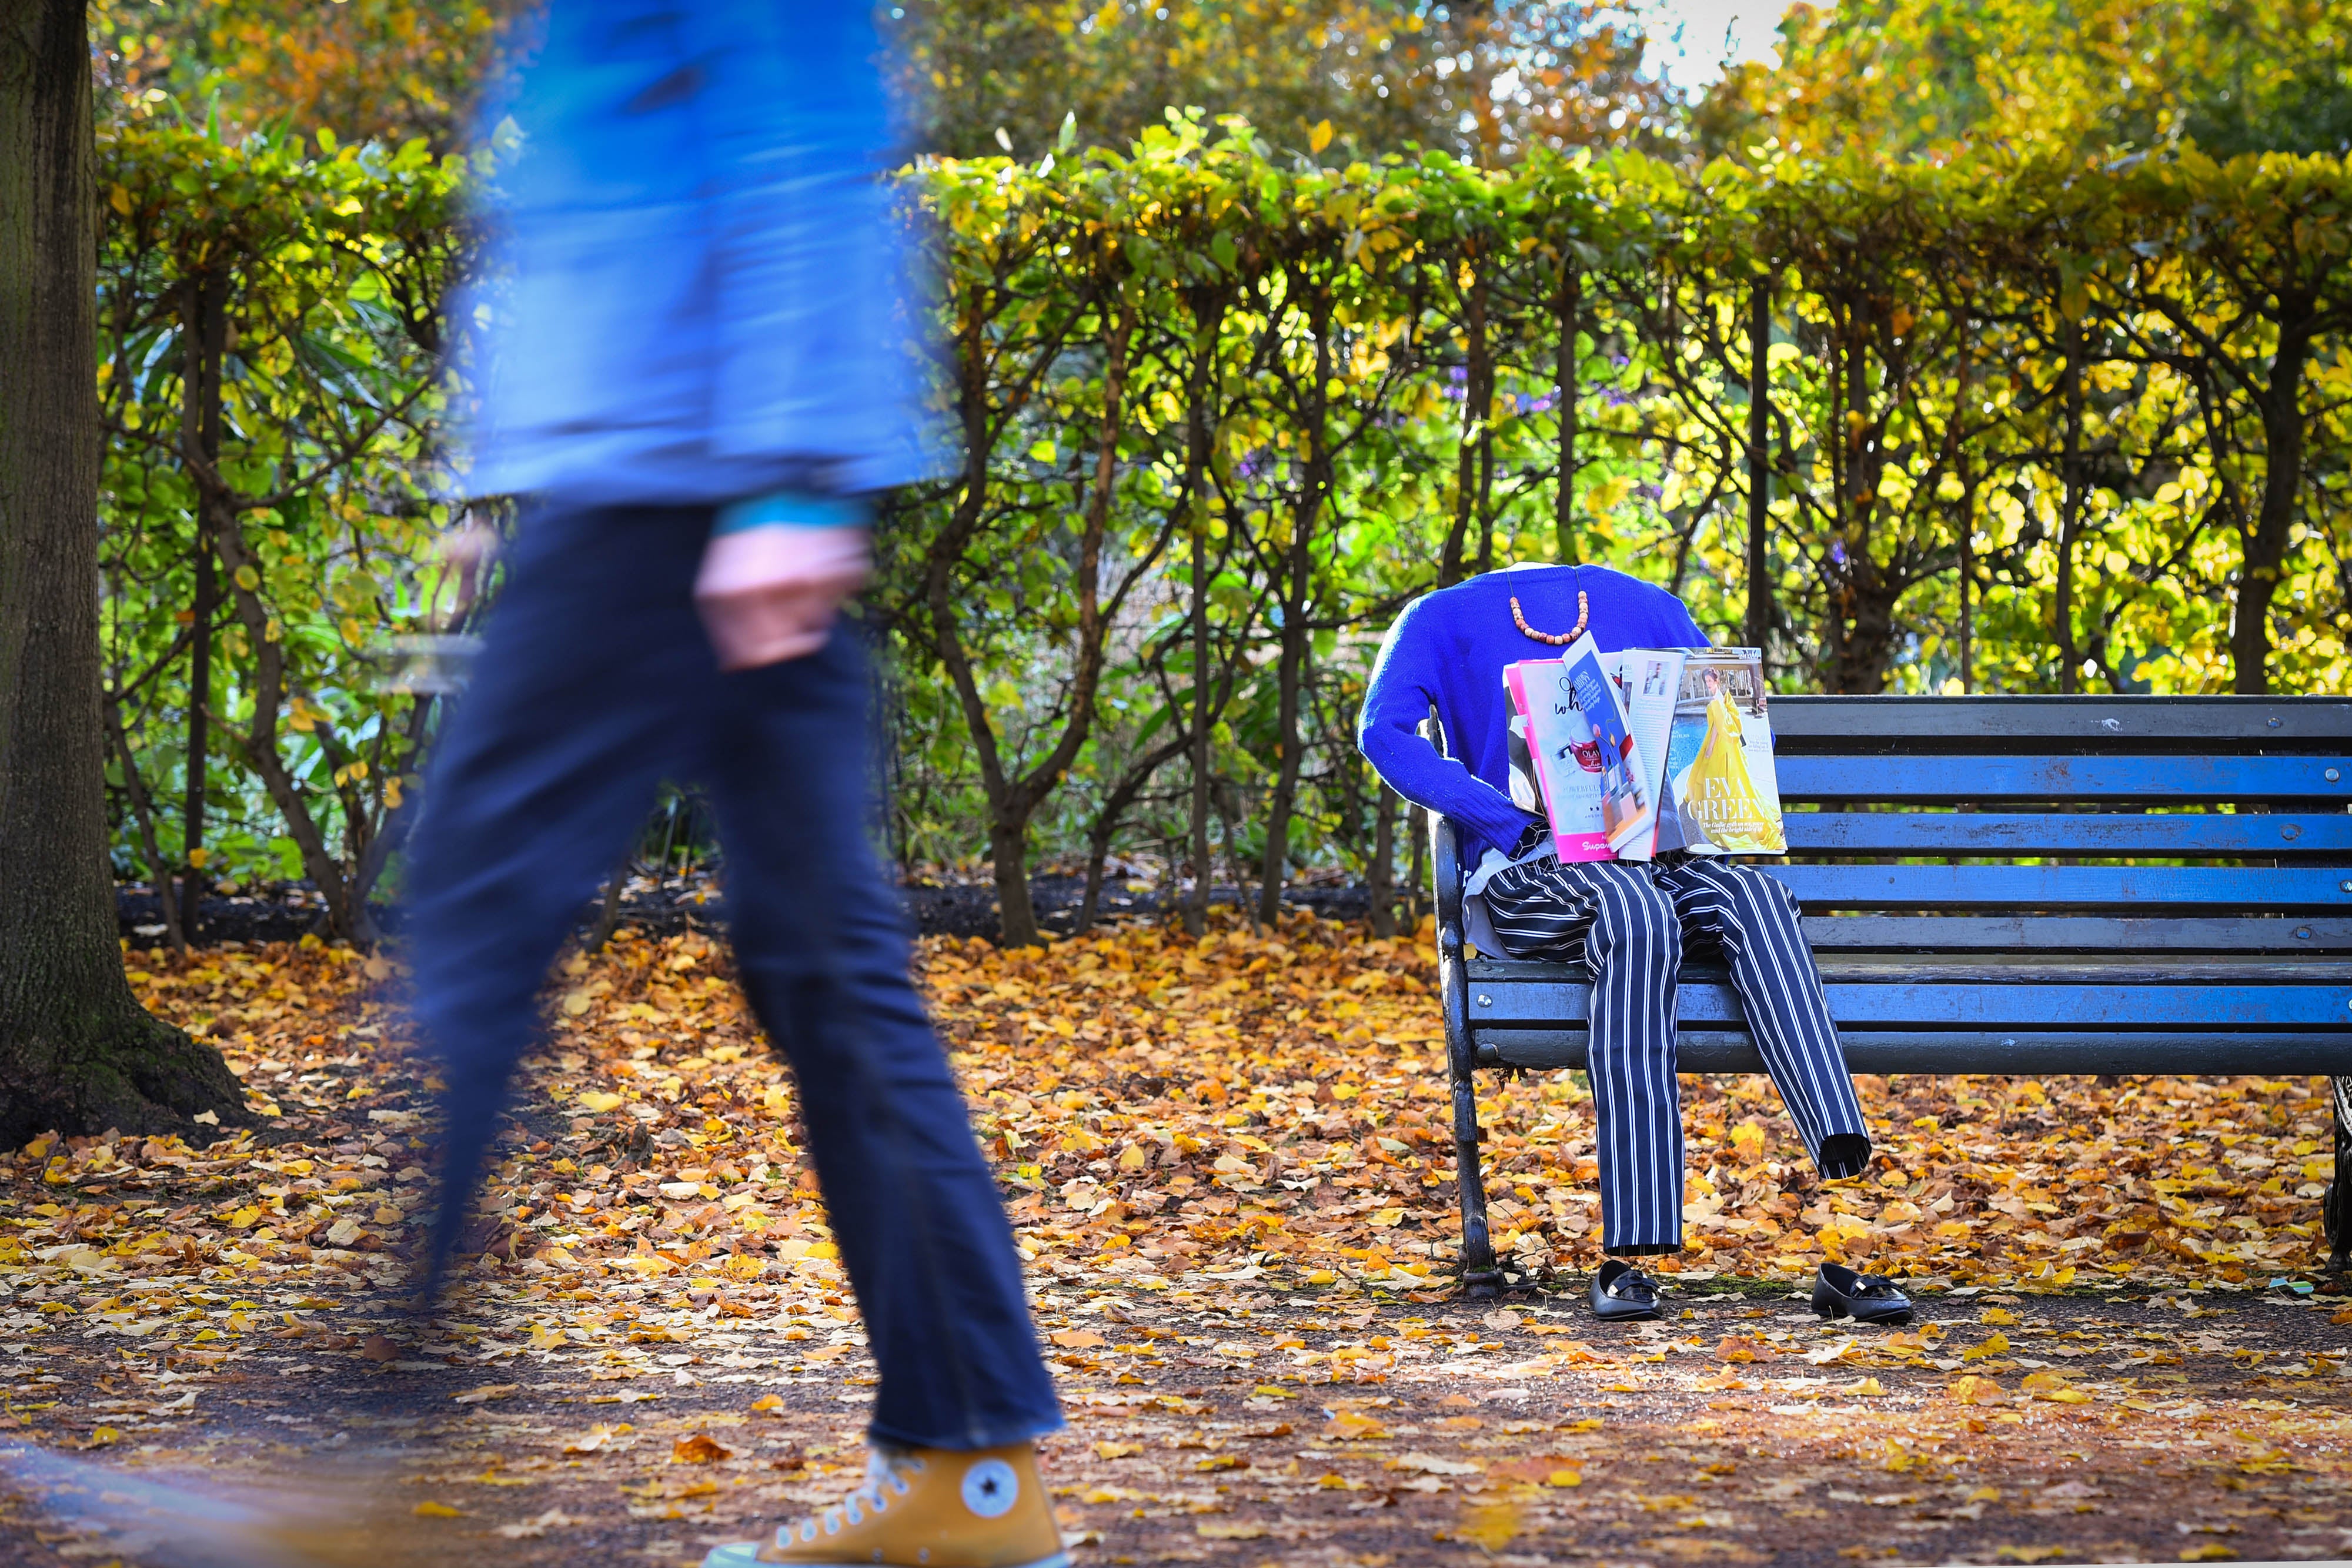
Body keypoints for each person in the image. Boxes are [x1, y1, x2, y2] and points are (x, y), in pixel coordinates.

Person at [404, 4, 1068, 1564]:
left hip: (674, 477)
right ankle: (975, 1474)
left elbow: (799, 126)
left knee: (473, 908)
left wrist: (783, 474)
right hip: (679, 464)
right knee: (821, 958)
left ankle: (364, 1445)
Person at [1357, 561, 1876, 1323]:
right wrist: (1498, 816)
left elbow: (1718, 721)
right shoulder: (1437, 618)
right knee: (1637, 914)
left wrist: (1705, 811)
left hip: (1654, 856)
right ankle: (1631, 1249)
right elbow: (1382, 734)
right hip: (1528, 869)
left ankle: (1838, 1138)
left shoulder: (1654, 609)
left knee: (1756, 894)